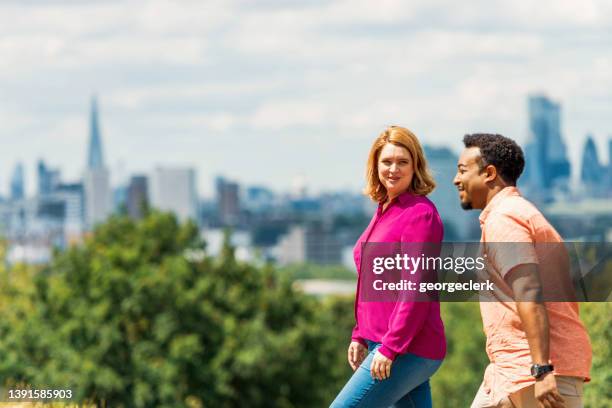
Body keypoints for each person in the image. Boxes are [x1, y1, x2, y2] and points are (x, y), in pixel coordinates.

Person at [453, 133, 592, 408]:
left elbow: (529, 292)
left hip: (537, 373)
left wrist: (542, 369)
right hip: (509, 373)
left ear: (489, 173)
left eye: (462, 171)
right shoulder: (517, 213)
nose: (456, 180)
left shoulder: (505, 218)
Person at [330, 126, 446, 408]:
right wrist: (359, 334)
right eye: (387, 161)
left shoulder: (420, 215)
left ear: (415, 166)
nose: (394, 169)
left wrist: (391, 348)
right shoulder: (385, 209)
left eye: (402, 162)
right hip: (381, 342)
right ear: (375, 166)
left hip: (407, 348)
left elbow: (415, 289)